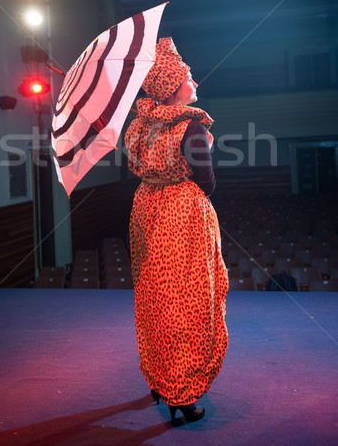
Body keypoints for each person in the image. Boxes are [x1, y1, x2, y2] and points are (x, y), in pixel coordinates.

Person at [125, 37, 229, 425]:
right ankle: (182, 394)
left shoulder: (137, 127)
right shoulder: (191, 126)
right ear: (173, 88)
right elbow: (207, 181)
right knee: (188, 303)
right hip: (182, 215)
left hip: (146, 210)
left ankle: (159, 378)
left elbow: (136, 168)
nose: (195, 82)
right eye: (189, 77)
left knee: (155, 298)